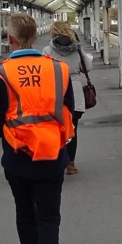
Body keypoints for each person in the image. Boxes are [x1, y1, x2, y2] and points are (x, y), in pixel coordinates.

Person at [0, 13, 76, 244]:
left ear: (10, 38)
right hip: (52, 155)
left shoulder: (0, 74)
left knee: (25, 212)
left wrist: (12, 134)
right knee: (48, 216)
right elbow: (68, 109)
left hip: (17, 157)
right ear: (36, 36)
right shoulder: (59, 70)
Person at [41, 20, 90, 176]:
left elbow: (43, 72)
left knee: (56, 129)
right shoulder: (77, 48)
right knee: (73, 129)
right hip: (75, 93)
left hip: (56, 93)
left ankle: (57, 162)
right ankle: (70, 164)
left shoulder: (47, 50)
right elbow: (88, 67)